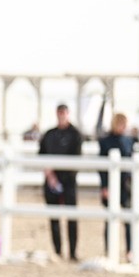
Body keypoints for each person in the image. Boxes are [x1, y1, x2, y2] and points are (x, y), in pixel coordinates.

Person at [38, 104, 83, 261]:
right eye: (59, 113)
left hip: (69, 180)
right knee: (53, 217)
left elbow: (77, 158)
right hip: (51, 180)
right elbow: (41, 156)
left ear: (68, 114)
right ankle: (57, 251)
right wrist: (50, 175)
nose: (61, 115)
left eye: (64, 113)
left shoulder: (75, 134)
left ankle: (72, 252)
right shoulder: (49, 134)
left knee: (72, 216)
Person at [98, 112, 135, 257]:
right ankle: (109, 250)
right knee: (109, 219)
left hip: (125, 185)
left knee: (128, 219)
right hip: (110, 185)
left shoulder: (130, 140)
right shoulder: (105, 141)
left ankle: (129, 250)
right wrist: (104, 186)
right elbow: (101, 167)